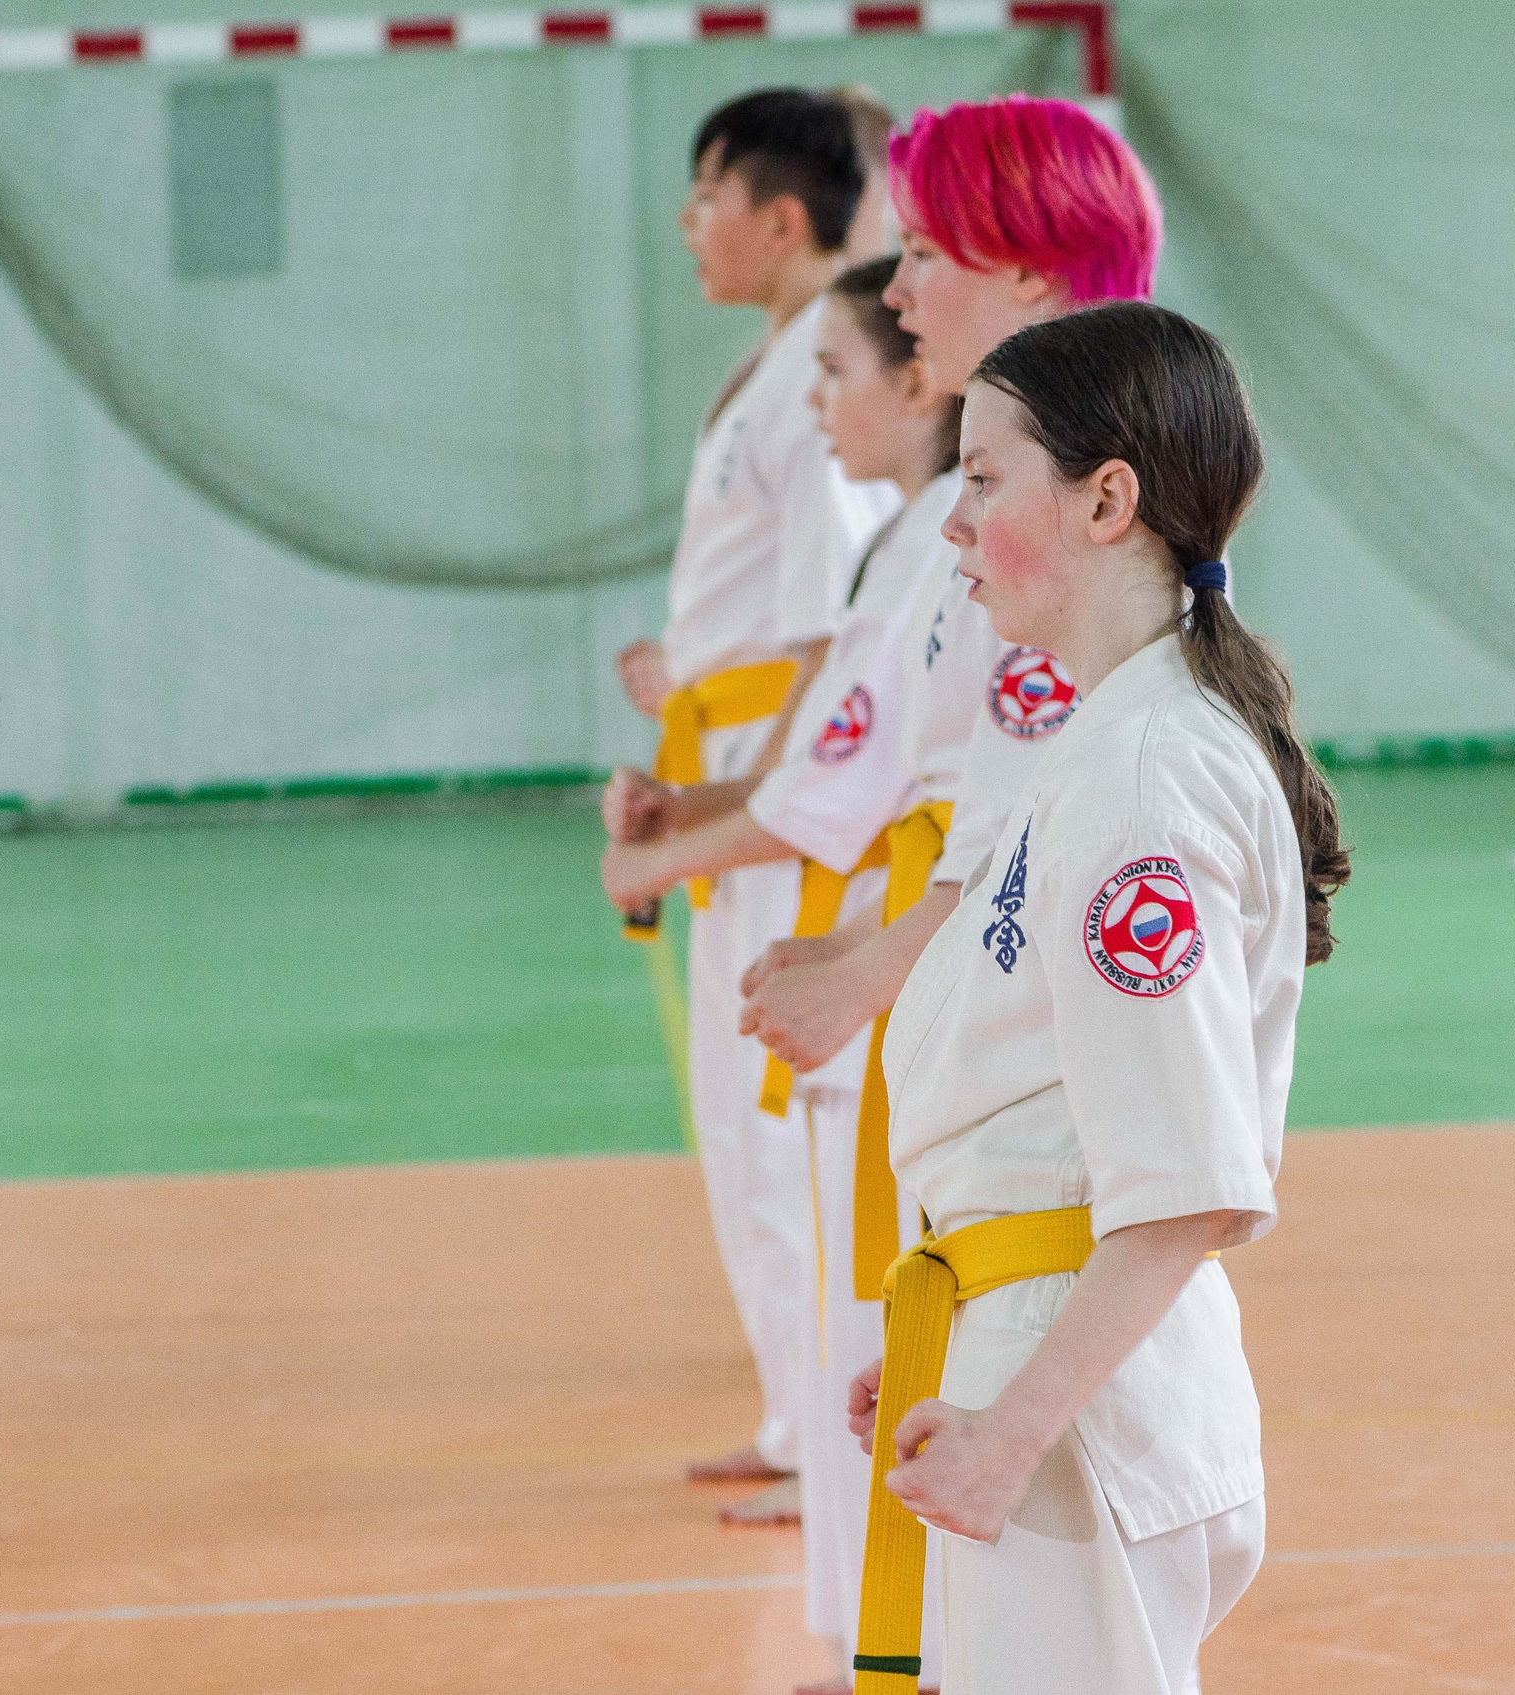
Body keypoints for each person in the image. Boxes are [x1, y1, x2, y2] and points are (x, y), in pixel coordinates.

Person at [847, 302, 1350, 1694]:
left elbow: (1188, 1173)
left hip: (1077, 1437)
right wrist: (957, 1348)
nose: (953, 523)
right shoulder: (1106, 739)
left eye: (985, 476)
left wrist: (1015, 1424)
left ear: (1107, 498)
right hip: (1043, 1370)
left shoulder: (1145, 778)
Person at [602, 255, 957, 1693]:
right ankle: (882, 1646)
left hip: (893, 927)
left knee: (875, 1275)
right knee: (833, 1249)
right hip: (860, 903)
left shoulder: (944, 530)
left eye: (839, 371)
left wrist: (675, 849)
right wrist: (683, 818)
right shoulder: (929, 530)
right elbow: (840, 751)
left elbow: (853, 757)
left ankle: (909, 1647)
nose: (819, 394)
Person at [739, 92, 1164, 1223]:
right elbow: (978, 805)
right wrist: (856, 945)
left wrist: (862, 977)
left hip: (1037, 1048)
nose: (896, 289)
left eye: (924, 251)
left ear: (1028, 267)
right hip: (972, 989)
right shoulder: (1003, 479)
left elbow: (1025, 827)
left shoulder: (1078, 499)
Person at [611, 87, 899, 1516]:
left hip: (785, 811)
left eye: (705, 195)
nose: (689, 224)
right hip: (737, 774)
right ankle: (798, 1415)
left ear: (780, 216)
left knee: (792, 1125)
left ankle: (833, 1443)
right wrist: (688, 680)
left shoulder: (823, 373)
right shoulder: (783, 364)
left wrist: (725, 799)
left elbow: (828, 633)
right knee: (742, 1126)